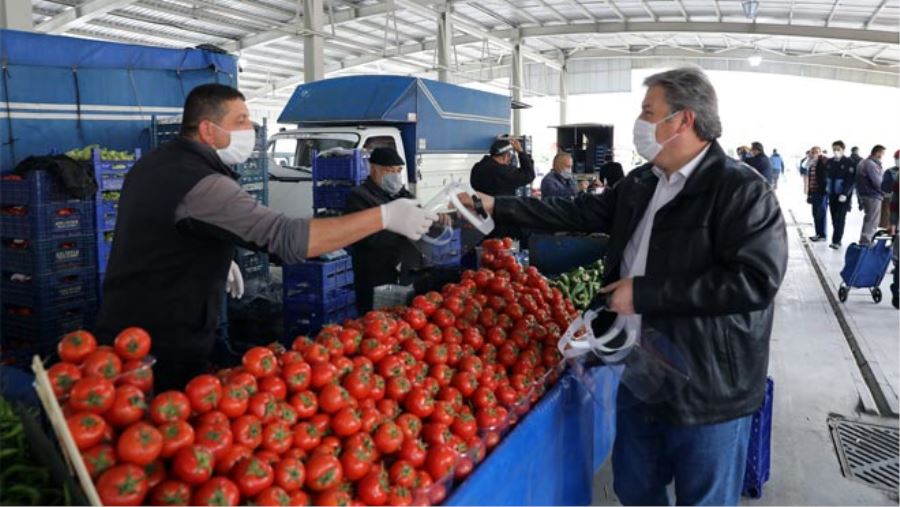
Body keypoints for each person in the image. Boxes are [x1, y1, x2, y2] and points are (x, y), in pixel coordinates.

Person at [462, 67, 787, 506]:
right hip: (642, 373)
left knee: (703, 498)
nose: (640, 122)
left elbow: (754, 282)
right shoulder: (641, 183)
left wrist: (646, 292)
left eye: (648, 112)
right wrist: (495, 205)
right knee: (635, 488)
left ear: (684, 120)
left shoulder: (742, 191)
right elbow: (575, 212)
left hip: (708, 388)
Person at [95, 84, 437, 391]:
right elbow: (286, 239)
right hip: (160, 346)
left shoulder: (155, 163)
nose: (252, 130)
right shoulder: (203, 183)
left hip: (127, 332)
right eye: (241, 120)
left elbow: (160, 225)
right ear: (207, 130)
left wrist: (206, 249)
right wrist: (385, 216)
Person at [344, 147, 422, 312]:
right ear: (373, 169)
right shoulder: (359, 197)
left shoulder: (403, 195)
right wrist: (403, 228)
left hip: (403, 273)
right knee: (375, 320)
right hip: (374, 275)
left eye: (398, 171)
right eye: (389, 170)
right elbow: (368, 237)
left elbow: (419, 214)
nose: (395, 176)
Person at [469, 138, 535, 197]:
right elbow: (529, 175)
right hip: (501, 209)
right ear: (506, 156)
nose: (509, 161)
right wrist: (521, 152)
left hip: (482, 208)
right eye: (510, 157)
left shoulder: (477, 168)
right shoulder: (503, 171)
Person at [825, 140, 857, 249]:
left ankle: (836, 241)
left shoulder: (849, 162)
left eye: (838, 149)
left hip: (843, 196)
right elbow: (827, 177)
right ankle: (837, 237)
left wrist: (844, 193)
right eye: (834, 149)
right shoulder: (830, 162)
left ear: (843, 150)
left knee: (840, 218)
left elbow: (850, 180)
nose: (836, 151)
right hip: (832, 195)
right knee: (834, 218)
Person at [855, 145, 886, 245]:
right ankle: (866, 242)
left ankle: (866, 240)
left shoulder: (863, 162)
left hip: (865, 195)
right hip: (873, 196)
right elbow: (878, 182)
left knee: (869, 219)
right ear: (877, 153)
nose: (882, 156)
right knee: (872, 220)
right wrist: (885, 192)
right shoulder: (871, 164)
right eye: (882, 153)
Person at [806, 146, 829, 242]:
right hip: (814, 191)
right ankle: (818, 233)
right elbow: (810, 180)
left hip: (821, 192)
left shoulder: (822, 161)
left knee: (821, 213)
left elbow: (826, 176)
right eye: (813, 152)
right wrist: (809, 194)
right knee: (815, 214)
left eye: (817, 152)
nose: (815, 153)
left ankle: (822, 235)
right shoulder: (811, 163)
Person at [880, 150, 899, 230]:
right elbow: (884, 185)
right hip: (891, 199)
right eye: (896, 158)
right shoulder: (890, 171)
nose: (897, 160)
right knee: (890, 223)